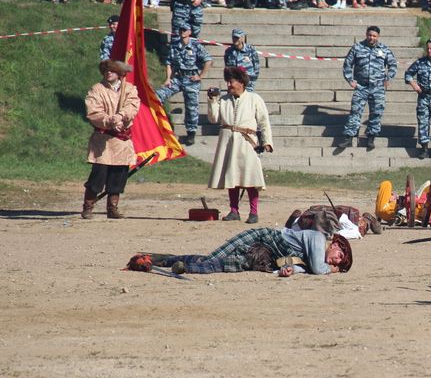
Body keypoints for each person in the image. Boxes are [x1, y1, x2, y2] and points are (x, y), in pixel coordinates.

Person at [134, 227, 353, 275]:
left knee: (218, 265)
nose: (335, 261)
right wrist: (332, 271)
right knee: (214, 259)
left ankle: (174, 264)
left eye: (338, 263)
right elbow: (317, 268)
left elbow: (302, 267)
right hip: (258, 238)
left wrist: (290, 271)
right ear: (335, 245)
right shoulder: (318, 238)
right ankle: (163, 260)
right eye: (339, 257)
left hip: (263, 255)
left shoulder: (312, 253)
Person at [207, 66, 273, 223]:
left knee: (251, 178)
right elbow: (213, 118)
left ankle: (253, 212)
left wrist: (267, 141)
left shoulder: (254, 99)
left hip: (247, 142)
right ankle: (234, 211)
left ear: (241, 82)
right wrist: (212, 100)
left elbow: (264, 122)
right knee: (232, 177)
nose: (229, 84)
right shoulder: (223, 100)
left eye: (232, 81)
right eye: (228, 81)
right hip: (228, 142)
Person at [81, 60, 140, 219]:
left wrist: (121, 117)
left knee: (118, 176)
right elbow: (93, 112)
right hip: (103, 140)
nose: (109, 73)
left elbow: (133, 106)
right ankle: (88, 206)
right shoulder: (97, 89)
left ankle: (112, 207)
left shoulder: (129, 89)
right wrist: (109, 121)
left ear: (119, 73)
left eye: (112, 70)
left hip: (122, 140)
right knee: (98, 176)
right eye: (106, 70)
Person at [337, 25, 398, 150]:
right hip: (361, 87)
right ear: (366, 34)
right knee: (355, 112)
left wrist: (388, 79)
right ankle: (348, 138)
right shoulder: (357, 48)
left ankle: (371, 138)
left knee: (376, 113)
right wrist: (350, 80)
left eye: (374, 36)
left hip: (378, 87)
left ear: (378, 37)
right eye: (370, 35)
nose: (371, 38)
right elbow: (347, 64)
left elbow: (393, 65)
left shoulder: (384, 49)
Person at [156, 24, 213, 146]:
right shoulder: (175, 45)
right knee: (158, 95)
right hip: (178, 77)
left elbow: (208, 60)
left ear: (189, 32)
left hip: (192, 78)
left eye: (184, 30)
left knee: (191, 107)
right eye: (180, 30)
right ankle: (157, 123)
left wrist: (200, 76)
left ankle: (191, 133)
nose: (182, 32)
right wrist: (168, 78)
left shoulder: (196, 45)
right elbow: (169, 63)